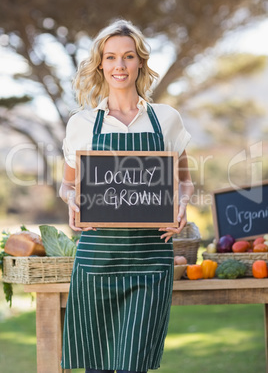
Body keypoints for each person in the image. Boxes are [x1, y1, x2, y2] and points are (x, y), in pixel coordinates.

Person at [59, 19, 194, 373]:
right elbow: (67, 185)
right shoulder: (82, 123)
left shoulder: (166, 119)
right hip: (97, 259)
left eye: (129, 56)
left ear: (140, 63)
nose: (120, 66)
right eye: (111, 57)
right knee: (98, 366)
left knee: (133, 365)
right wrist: (72, 200)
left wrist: (182, 204)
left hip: (150, 262)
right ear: (101, 64)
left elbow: (185, 181)